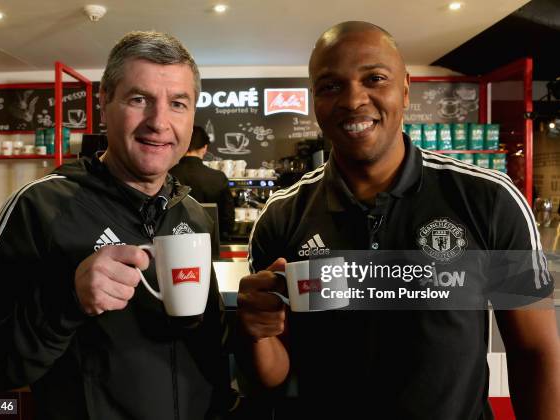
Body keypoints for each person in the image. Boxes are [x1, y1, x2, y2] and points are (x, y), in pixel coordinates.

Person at [237, 21, 559, 419]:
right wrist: (253, 333)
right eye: (331, 85)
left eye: (374, 78)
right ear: (314, 100)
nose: (354, 100)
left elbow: (535, 351)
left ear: (405, 90)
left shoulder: (488, 199)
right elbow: (273, 375)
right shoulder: (283, 216)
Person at [0, 31, 238, 420]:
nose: (159, 122)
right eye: (140, 99)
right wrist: (66, 303)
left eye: (178, 104)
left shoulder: (192, 213)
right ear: (105, 103)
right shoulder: (40, 206)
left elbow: (211, 350)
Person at [170, 126, 235, 241]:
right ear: (204, 148)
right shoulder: (218, 177)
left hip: (172, 242)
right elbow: (228, 220)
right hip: (210, 243)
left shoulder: (167, 174)